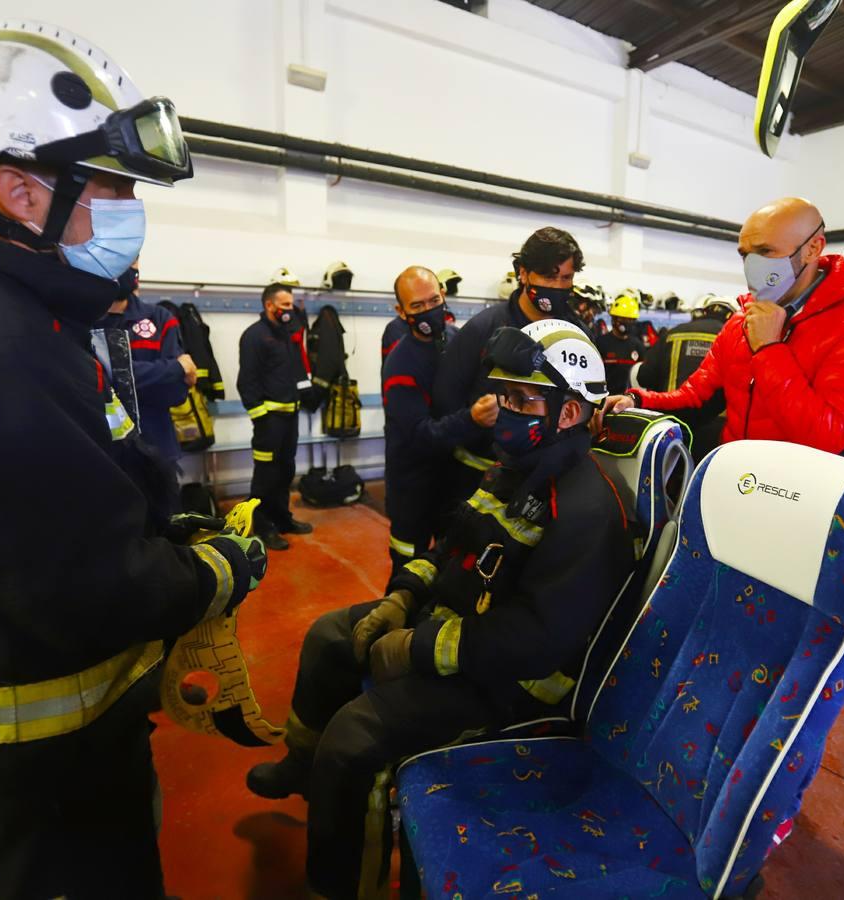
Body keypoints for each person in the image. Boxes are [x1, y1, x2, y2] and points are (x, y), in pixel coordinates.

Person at [0, 24, 266, 898]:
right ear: (24, 192)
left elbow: (50, 499)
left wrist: (154, 521)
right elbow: (88, 594)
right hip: (19, 741)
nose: (126, 207)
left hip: (22, 721)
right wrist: (216, 569)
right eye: (109, 184)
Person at [247, 318, 631, 899]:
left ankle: (339, 885)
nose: (504, 408)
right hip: (463, 628)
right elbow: (453, 546)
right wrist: (404, 595)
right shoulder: (514, 469)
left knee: (355, 739)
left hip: (515, 682)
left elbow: (538, 640)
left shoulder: (585, 507)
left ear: (569, 412)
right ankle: (304, 767)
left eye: (521, 398)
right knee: (331, 635)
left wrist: (418, 648)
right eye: (503, 394)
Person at [598, 197, 844, 463]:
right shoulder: (742, 320)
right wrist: (638, 401)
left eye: (766, 251)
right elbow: (697, 398)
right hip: (737, 485)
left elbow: (828, 436)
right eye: (745, 254)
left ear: (813, 248)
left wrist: (769, 349)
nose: (753, 266)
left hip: (810, 504)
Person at [432, 226, 589, 503]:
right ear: (523, 273)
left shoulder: (576, 336)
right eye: (548, 276)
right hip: (477, 480)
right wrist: (472, 419)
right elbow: (444, 402)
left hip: (548, 481)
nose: (556, 286)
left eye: (566, 278)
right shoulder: (483, 329)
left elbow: (588, 401)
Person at [381, 265, 496, 579]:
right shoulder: (401, 363)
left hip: (452, 484)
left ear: (443, 296)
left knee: (447, 569)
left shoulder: (459, 342)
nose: (428, 310)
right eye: (417, 306)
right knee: (408, 571)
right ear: (401, 311)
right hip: (413, 488)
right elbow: (419, 434)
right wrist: (471, 419)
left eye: (433, 301)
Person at [96, 260, 197, 483]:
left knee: (164, 516)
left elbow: (175, 391)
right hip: (103, 450)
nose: (125, 265)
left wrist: (118, 380)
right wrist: (175, 367)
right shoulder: (82, 321)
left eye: (132, 259)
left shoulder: (160, 319)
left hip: (158, 447)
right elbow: (91, 380)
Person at [239, 281, 313, 549]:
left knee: (285, 471)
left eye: (291, 305)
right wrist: (261, 417)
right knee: (266, 476)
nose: (289, 310)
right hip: (268, 422)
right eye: (284, 305)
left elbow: (296, 373)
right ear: (269, 305)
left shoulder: (286, 335)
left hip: (289, 418)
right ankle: (262, 526)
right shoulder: (254, 336)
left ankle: (283, 519)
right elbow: (246, 382)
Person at [595, 290, 645, 395]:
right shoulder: (601, 343)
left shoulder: (638, 345)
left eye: (631, 320)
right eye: (623, 318)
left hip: (629, 401)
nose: (628, 322)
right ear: (614, 319)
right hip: (604, 399)